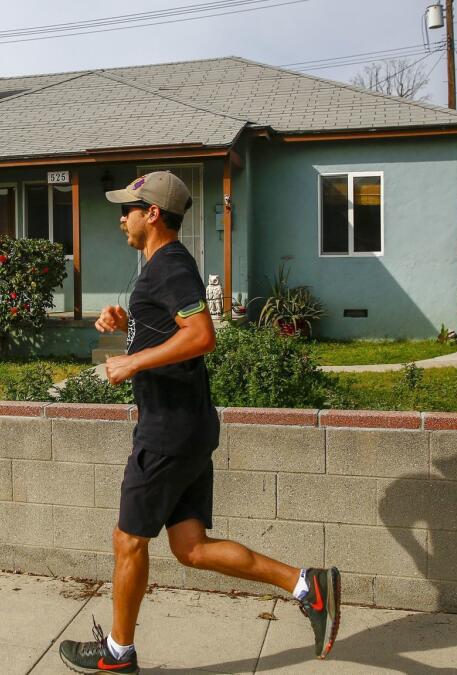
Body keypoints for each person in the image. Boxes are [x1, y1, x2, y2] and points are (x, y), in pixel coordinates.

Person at [58, 171, 341, 674]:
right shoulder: (157, 269)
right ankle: (306, 586)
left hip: (168, 428)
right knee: (190, 548)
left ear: (152, 214)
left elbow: (202, 336)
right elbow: (172, 330)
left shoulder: (170, 266)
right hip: (184, 424)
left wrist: (130, 363)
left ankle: (118, 655)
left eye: (128, 209)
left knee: (129, 539)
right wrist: (130, 327)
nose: (120, 218)